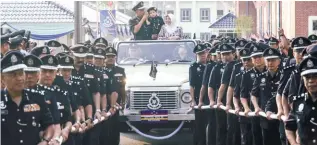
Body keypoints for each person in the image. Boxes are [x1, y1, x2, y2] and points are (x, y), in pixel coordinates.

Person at [1, 51, 55, 145]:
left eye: (21, 73)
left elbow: (49, 125)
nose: (19, 78)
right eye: (13, 75)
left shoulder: (37, 98)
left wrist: (45, 141)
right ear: (2, 78)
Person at [276, 37, 311, 145]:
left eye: (303, 51)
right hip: (294, 118)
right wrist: (287, 116)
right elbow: (283, 94)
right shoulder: (293, 72)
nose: (300, 54)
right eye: (297, 51)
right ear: (293, 53)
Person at [251, 47, 282, 145]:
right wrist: (256, 107)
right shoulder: (260, 78)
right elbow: (253, 95)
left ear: (279, 61)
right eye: (268, 60)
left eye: (273, 60)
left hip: (281, 117)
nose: (270, 63)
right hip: (266, 119)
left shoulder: (284, 76)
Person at [285, 56, 317, 145]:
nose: (311, 81)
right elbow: (289, 127)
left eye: (315, 77)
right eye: (307, 77)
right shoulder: (298, 102)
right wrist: (294, 143)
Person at [240, 44, 266, 145]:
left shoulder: (269, 72)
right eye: (255, 57)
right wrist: (246, 108)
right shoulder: (246, 75)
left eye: (259, 57)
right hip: (254, 111)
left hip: (268, 110)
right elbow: (243, 95)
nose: (257, 59)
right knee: (256, 137)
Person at [104, 46, 126, 145]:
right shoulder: (101, 70)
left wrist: (124, 102)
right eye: (108, 56)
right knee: (105, 129)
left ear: (116, 57)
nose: (111, 58)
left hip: (116, 105)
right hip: (105, 105)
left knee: (115, 128)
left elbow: (122, 87)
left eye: (112, 56)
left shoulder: (120, 70)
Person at [233, 48, 254, 145]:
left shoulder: (260, 74)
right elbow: (235, 95)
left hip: (256, 111)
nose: (246, 62)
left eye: (248, 59)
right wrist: (237, 107)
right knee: (245, 139)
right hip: (244, 112)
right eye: (244, 60)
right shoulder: (239, 76)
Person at [189, 44, 208, 145]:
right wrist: (193, 100)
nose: (202, 56)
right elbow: (192, 85)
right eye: (200, 54)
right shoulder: (193, 67)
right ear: (196, 55)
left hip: (209, 98)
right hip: (198, 97)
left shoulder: (210, 65)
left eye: (204, 53)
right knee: (199, 124)